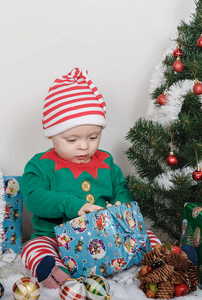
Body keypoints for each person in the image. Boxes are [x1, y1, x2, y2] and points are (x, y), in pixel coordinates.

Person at [20, 67, 161, 289]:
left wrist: (120, 206)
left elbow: (121, 189)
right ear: (51, 134)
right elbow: (34, 198)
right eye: (71, 139)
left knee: (147, 236)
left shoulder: (106, 162)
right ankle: (59, 275)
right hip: (56, 239)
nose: (84, 146)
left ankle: (166, 259)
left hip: (109, 236)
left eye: (93, 137)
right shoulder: (39, 165)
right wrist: (72, 205)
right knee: (33, 247)